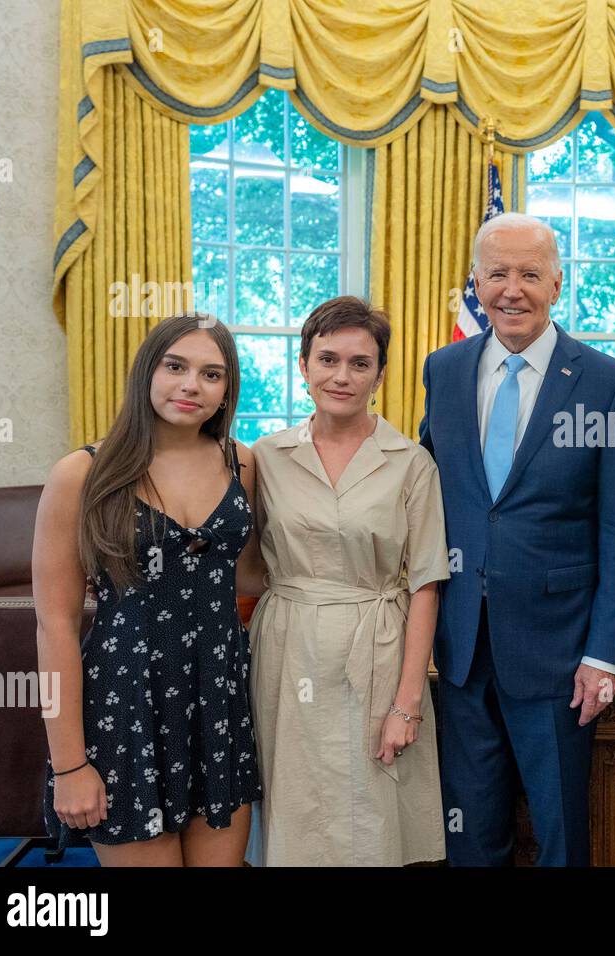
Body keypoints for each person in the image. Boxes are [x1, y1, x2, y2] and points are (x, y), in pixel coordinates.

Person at [420, 212, 615, 866]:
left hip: (560, 653)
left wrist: (606, 656)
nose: (511, 289)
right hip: (459, 650)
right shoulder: (445, 369)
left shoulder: (607, 382)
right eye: (497, 274)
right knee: (470, 835)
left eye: (528, 274)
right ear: (475, 283)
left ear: (557, 283)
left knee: (561, 835)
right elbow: (431, 490)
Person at [35, 313, 261, 865]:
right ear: (146, 372)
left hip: (219, 708)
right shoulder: (82, 473)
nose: (191, 385)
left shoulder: (242, 463)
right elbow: (55, 625)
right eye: (175, 366)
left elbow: (253, 576)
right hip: (126, 708)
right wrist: (68, 764)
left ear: (227, 388)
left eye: (212, 374)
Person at [242, 296, 450, 866]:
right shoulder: (264, 457)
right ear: (303, 366)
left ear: (380, 375)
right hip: (287, 648)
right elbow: (243, 564)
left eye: (360, 363)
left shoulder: (411, 463)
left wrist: (408, 700)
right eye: (327, 358)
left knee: (370, 812)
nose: (342, 375)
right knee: (295, 807)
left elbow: (427, 584)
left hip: (378, 648)